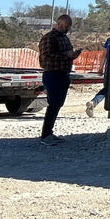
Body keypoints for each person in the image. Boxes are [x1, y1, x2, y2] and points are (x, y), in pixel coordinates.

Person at [37, 15, 84, 146]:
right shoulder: (49, 38)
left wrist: (73, 55)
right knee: (53, 104)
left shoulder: (64, 39)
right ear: (58, 24)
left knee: (58, 104)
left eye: (69, 26)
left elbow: (65, 55)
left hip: (64, 74)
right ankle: (45, 135)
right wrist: (66, 55)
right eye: (65, 26)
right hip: (52, 74)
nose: (67, 29)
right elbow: (46, 56)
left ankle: (49, 133)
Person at [86, 36, 110, 117]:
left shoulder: (109, 40)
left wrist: (100, 68)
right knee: (109, 89)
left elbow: (104, 55)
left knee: (107, 88)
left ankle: (93, 103)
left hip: (108, 68)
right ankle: (94, 103)